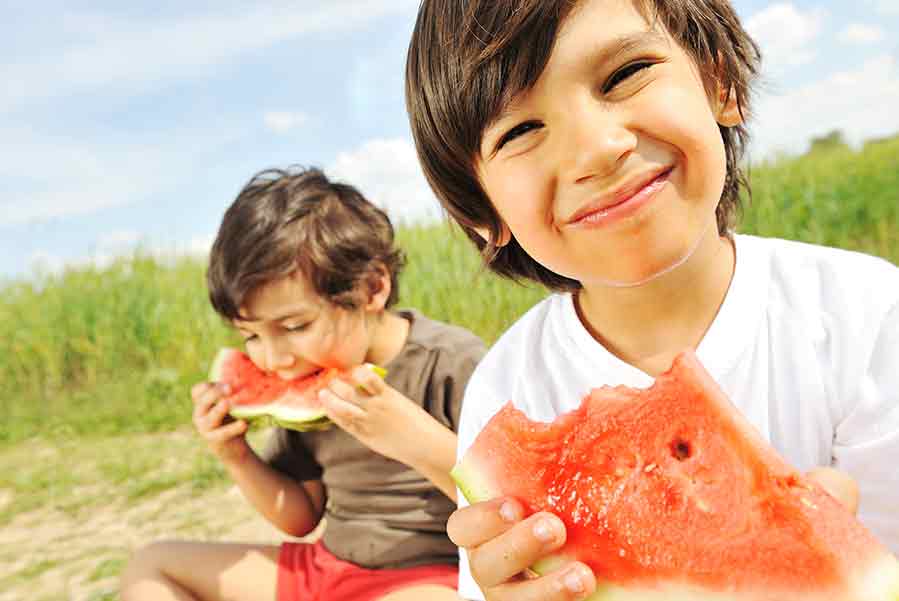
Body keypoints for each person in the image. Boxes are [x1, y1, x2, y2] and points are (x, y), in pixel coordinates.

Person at [404, 0, 899, 599]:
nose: (596, 149)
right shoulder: (506, 388)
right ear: (485, 214)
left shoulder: (867, 315)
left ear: (719, 82)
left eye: (624, 74)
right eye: (521, 131)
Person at [120, 167, 486, 601]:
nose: (275, 360)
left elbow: (506, 500)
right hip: (325, 568)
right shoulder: (307, 375)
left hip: (428, 577)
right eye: (251, 336)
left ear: (371, 288)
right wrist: (235, 454)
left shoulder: (452, 362)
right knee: (152, 565)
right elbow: (300, 518)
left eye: (294, 326)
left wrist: (409, 438)